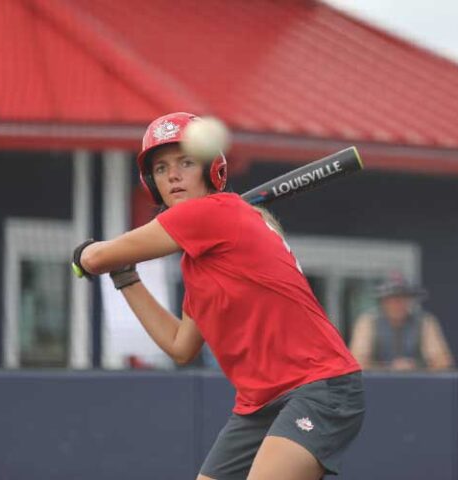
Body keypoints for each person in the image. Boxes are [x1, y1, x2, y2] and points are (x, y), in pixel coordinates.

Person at [72, 112, 365, 480]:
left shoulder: (211, 213)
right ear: (152, 182)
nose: (173, 175)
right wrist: (126, 276)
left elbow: (97, 257)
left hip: (318, 386)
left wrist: (84, 253)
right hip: (258, 406)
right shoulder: (201, 263)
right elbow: (181, 345)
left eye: (186, 163)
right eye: (161, 169)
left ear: (211, 171)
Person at [349, 275, 453, 371]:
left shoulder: (424, 321)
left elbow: (443, 362)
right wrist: (390, 367)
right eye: (392, 299)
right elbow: (357, 362)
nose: (398, 304)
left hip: (418, 383)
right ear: (383, 301)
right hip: (376, 384)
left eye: (403, 298)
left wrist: (415, 366)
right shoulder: (368, 322)